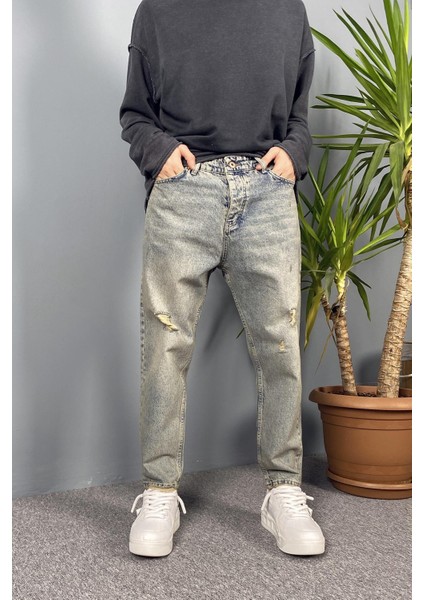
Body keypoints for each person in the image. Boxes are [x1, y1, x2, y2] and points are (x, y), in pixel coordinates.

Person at [119, 0, 325, 558]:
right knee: (166, 345)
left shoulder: (288, 10)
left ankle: (284, 490)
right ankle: (160, 491)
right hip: (183, 191)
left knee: (280, 345)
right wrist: (160, 152)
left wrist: (294, 153)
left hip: (267, 190)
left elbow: (299, 115)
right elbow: (134, 114)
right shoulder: (157, 10)